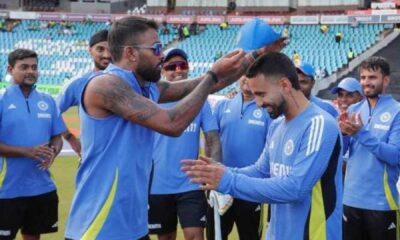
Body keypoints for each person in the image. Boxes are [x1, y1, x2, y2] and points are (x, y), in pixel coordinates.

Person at [64, 16, 286, 240]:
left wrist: (258, 54)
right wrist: (211, 75)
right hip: (100, 226)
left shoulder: (146, 87)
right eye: (157, 48)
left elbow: (208, 84)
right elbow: (171, 123)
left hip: (132, 226)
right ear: (130, 53)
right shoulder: (106, 84)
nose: (161, 55)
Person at [182, 52, 343, 240]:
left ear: (285, 85)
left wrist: (229, 180)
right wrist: (221, 171)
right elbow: (261, 170)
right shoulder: (277, 125)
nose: (258, 103)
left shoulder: (319, 124)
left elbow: (295, 188)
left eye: (261, 94)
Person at [148, 48, 221, 240]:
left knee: (195, 236)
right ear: (163, 70)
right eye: (172, 66)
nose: (178, 70)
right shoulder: (151, 99)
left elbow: (213, 139)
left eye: (183, 65)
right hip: (157, 185)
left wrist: (215, 175)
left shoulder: (199, 100)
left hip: (191, 184)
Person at [0, 49, 66, 240]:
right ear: (11, 69)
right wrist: (27, 152)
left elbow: (56, 137)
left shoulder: (48, 101)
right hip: (6, 189)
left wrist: (53, 152)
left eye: (34, 67)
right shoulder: (2, 100)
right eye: (24, 67)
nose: (31, 71)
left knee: (33, 235)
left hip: (41, 186)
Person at [339, 57, 400, 240]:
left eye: (372, 77)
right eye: (364, 77)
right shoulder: (353, 110)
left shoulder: (397, 111)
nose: (366, 82)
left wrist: (360, 134)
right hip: (350, 200)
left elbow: (395, 156)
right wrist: (342, 134)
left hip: (381, 204)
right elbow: (342, 152)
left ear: (386, 80)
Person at [206, 75, 271, 240]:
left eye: (252, 75)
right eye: (244, 74)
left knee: (250, 236)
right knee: (216, 236)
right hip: (222, 186)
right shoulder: (223, 105)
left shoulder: (267, 109)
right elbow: (211, 141)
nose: (247, 79)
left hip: (251, 188)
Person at [56, 29, 111, 157]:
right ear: (90, 50)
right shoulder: (78, 83)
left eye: (111, 49)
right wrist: (71, 138)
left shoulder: (130, 82)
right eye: (100, 49)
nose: (107, 55)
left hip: (126, 159)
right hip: (92, 158)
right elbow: (53, 112)